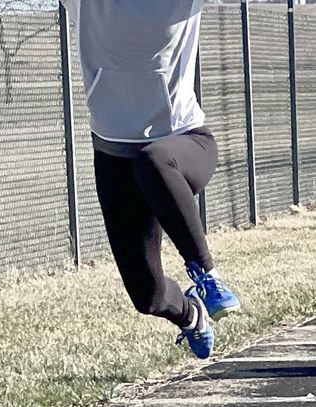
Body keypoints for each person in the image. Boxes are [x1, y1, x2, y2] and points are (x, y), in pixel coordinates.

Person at [60, 0, 241, 359]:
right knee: (148, 296)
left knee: (154, 159)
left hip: (186, 143)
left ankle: (207, 275)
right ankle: (191, 315)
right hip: (115, 158)